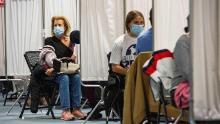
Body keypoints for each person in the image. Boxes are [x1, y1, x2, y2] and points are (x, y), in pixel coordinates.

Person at [44, 16, 84, 120]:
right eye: (55, 25)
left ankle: (76, 109)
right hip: (53, 73)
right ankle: (65, 111)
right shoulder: (49, 40)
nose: (57, 27)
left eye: (59, 25)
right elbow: (50, 60)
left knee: (76, 77)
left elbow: (71, 60)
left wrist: (70, 59)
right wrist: (62, 63)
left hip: (65, 70)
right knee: (64, 77)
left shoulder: (70, 41)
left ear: (65, 27)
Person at [110, 10, 145, 75]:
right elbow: (114, 67)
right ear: (128, 24)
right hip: (127, 79)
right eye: (136, 22)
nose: (139, 25)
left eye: (141, 22)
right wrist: (131, 73)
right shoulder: (119, 42)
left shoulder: (146, 40)